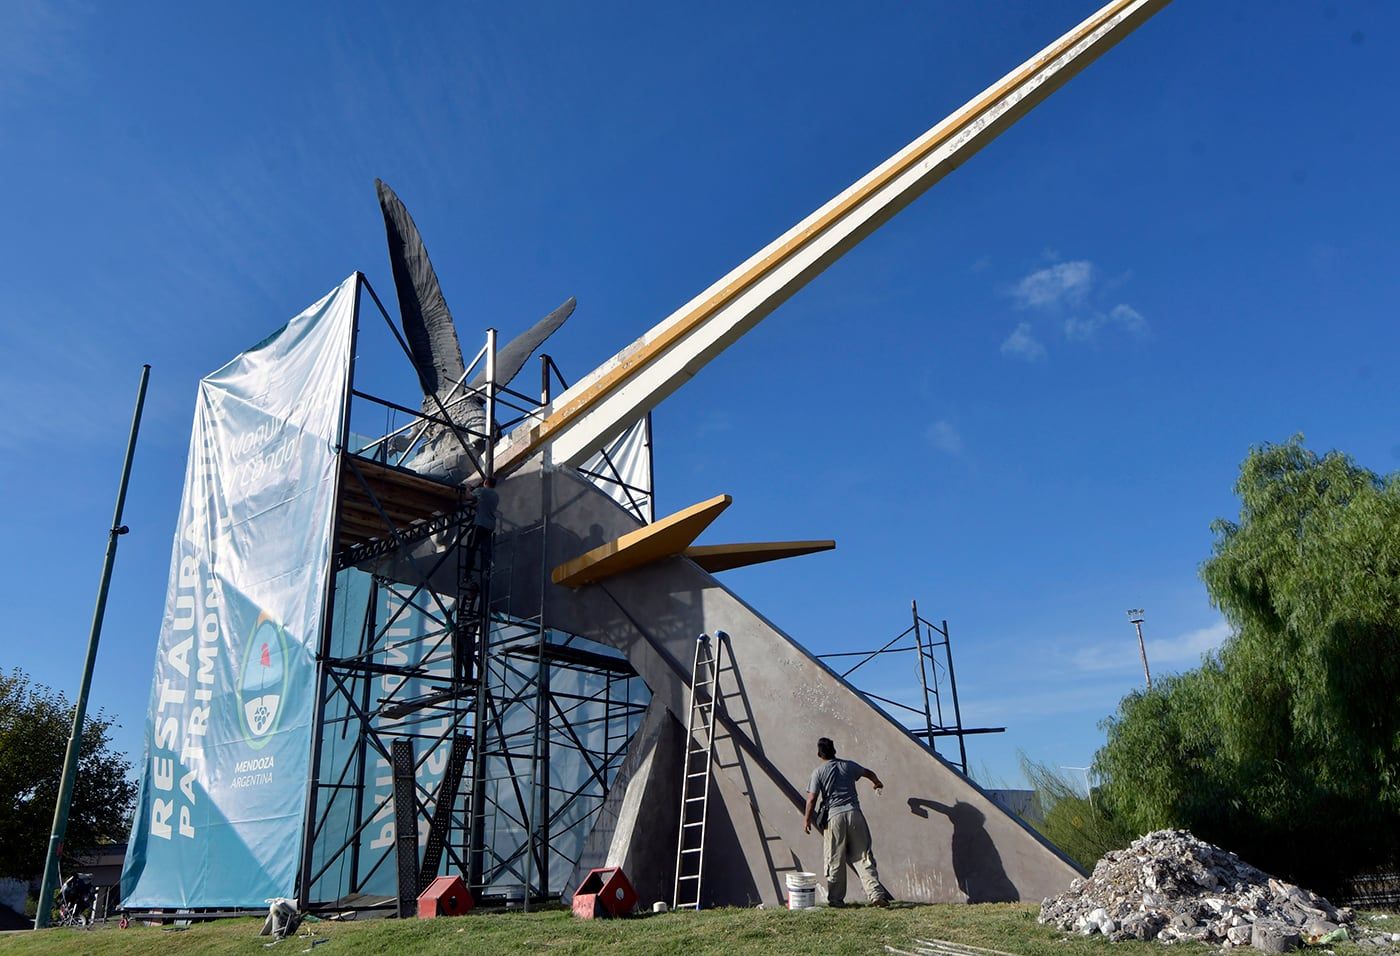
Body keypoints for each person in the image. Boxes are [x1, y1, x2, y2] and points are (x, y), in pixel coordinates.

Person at [803, 736, 893, 907]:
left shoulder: (818, 772)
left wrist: (807, 819)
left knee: (835, 858)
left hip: (834, 818)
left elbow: (812, 798)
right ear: (834, 751)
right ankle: (875, 894)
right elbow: (869, 773)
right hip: (855, 814)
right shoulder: (849, 766)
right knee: (863, 855)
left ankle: (836, 900)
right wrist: (877, 782)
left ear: (819, 754)